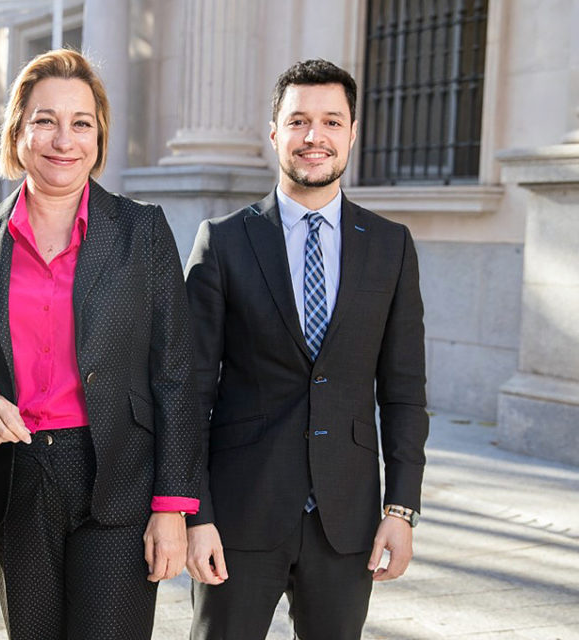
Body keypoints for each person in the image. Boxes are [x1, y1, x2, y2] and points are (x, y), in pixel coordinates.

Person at [0, 49, 200, 639]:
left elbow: (175, 370)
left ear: (99, 135)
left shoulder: (141, 231)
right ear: (18, 132)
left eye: (81, 122)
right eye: (45, 120)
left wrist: (172, 505)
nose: (64, 139)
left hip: (117, 474)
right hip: (14, 477)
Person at [184, 58, 428, 640]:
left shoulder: (390, 246)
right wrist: (198, 515)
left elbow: (404, 391)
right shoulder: (223, 241)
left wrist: (401, 509)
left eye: (330, 122)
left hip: (347, 523)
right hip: (240, 518)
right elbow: (188, 392)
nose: (314, 137)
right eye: (298, 122)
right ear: (275, 134)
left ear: (351, 134)